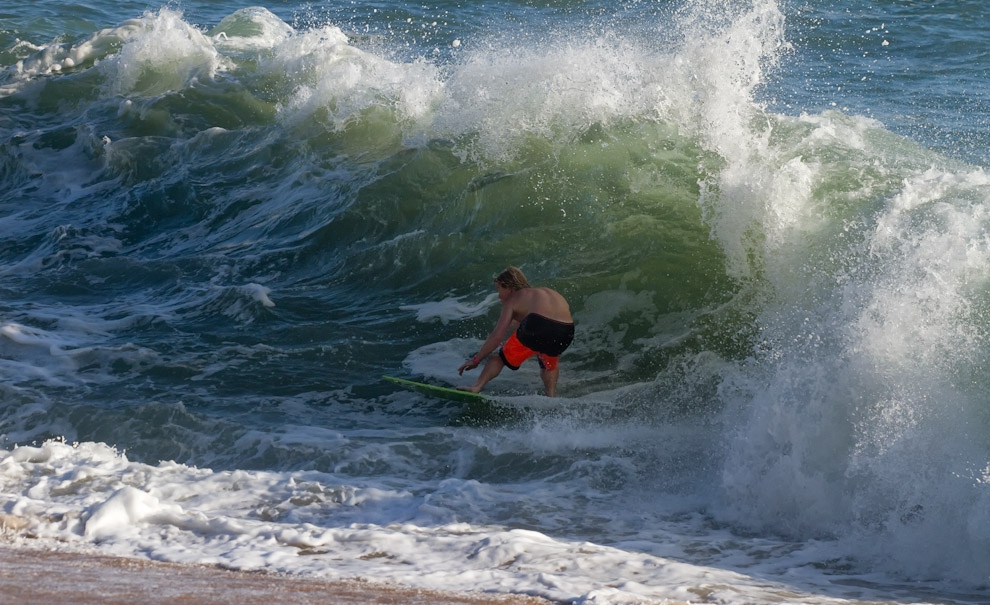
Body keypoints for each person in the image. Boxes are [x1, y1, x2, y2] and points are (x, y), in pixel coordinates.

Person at [457, 266, 575, 397]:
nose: (499, 295)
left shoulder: (514, 299)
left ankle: (476, 387)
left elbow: (497, 336)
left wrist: (476, 360)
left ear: (508, 286)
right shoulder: (545, 293)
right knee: (548, 363)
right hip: (566, 331)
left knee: (499, 357)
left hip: (538, 325)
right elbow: (549, 322)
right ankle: (551, 397)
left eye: (499, 289)